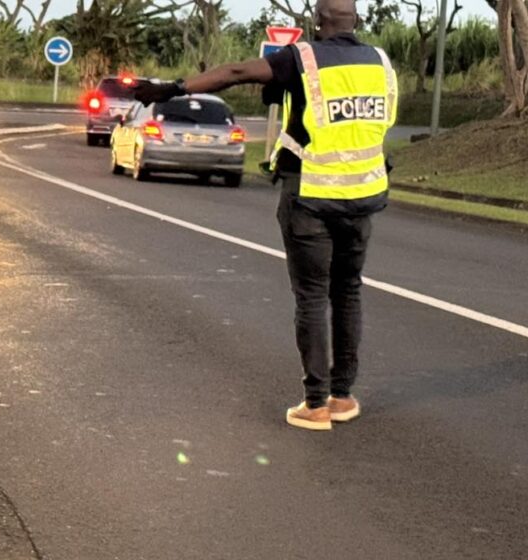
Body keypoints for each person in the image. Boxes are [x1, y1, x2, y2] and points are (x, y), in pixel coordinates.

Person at [133, 0, 398, 431]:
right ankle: (342, 396)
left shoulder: (304, 58)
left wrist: (175, 87)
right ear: (358, 21)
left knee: (312, 295)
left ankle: (314, 404)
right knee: (347, 291)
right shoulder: (380, 63)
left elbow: (237, 72)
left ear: (317, 21)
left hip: (311, 195)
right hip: (363, 197)